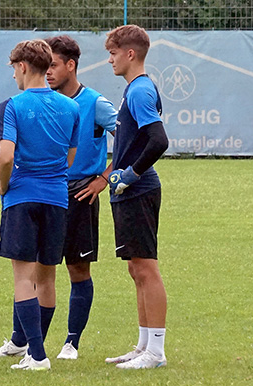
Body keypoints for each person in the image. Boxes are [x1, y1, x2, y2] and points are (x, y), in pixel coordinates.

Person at [0, 39, 79, 371]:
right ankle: (34, 350)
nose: (12, 77)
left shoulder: (13, 105)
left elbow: (6, 156)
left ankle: (36, 356)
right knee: (47, 277)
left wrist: (4, 184)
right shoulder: (71, 107)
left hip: (22, 197)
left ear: (23, 66)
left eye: (13, 69)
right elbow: (70, 156)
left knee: (23, 278)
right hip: (57, 198)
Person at [43, 35, 117, 360]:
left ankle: (71, 343)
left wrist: (104, 178)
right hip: (46, 192)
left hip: (80, 195)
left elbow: (133, 138)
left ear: (70, 65)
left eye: (53, 65)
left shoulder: (96, 103)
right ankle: (28, 343)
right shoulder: (44, 101)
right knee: (36, 270)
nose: (46, 72)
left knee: (77, 270)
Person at [103, 24, 169, 369]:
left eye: (113, 54)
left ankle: (156, 353)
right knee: (135, 268)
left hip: (140, 190)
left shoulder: (141, 90)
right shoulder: (133, 90)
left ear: (130, 54)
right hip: (128, 192)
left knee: (146, 268)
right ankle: (144, 345)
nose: (110, 60)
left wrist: (131, 174)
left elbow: (159, 141)